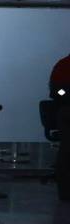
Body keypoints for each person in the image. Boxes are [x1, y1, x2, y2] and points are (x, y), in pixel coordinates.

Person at [51, 52, 70, 201]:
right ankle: (65, 191)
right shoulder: (64, 65)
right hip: (66, 110)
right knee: (67, 150)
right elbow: (57, 90)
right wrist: (67, 94)